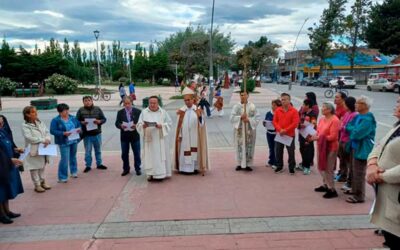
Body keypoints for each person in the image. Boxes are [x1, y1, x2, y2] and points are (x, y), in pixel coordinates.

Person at [367, 99, 400, 248]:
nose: (396, 104)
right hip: (386, 193)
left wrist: (380, 176)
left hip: (394, 191)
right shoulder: (397, 127)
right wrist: (372, 165)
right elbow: (379, 146)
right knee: (390, 235)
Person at [345, 96, 376, 203]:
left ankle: (359, 195)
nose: (355, 105)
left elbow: (357, 135)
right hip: (354, 147)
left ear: (365, 105)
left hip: (362, 148)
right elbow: (348, 126)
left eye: (358, 103)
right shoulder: (358, 116)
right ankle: (354, 190)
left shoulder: (367, 119)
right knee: (353, 171)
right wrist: (353, 130)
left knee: (359, 172)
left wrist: (352, 130)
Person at [174, 87, 209, 174]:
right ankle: (184, 169)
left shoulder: (197, 110)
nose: (187, 102)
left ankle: (195, 168)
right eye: (185, 100)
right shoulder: (182, 111)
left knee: (194, 151)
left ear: (193, 100)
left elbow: (202, 125)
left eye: (189, 100)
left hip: (195, 135)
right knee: (184, 152)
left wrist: (200, 117)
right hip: (184, 136)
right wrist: (179, 135)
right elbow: (178, 126)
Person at [137, 96, 172, 181]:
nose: (152, 105)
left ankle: (161, 174)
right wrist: (143, 126)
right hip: (149, 140)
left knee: (159, 157)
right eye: (151, 103)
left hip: (160, 139)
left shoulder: (163, 112)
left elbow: (169, 123)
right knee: (149, 156)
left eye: (154, 103)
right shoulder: (144, 112)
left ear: (158, 103)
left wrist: (162, 126)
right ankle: (150, 174)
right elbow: (139, 124)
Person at [311, 102, 341, 198]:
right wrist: (315, 136)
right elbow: (319, 132)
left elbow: (333, 136)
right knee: (321, 166)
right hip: (321, 146)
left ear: (329, 110)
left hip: (330, 147)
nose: (322, 109)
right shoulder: (321, 119)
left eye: (324, 108)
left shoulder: (335, 120)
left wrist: (318, 137)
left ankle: (332, 189)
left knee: (328, 169)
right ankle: (326, 184)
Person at [21, 106, 52, 193]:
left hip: (43, 147)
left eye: (35, 111)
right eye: (33, 112)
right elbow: (29, 137)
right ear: (27, 114)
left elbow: (46, 132)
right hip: (33, 149)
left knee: (42, 166)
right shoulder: (25, 125)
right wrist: (43, 140)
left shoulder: (40, 122)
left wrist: (48, 139)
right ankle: (37, 185)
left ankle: (43, 182)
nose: (36, 113)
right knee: (34, 167)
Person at [0, 115, 24, 224]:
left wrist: (16, 149)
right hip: (2, 165)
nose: (1, 125)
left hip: (7, 166)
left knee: (6, 189)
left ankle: (7, 211)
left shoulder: (3, 132)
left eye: (2, 123)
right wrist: (10, 160)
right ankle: (1, 214)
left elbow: (8, 145)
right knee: (1, 191)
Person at [50, 103, 81, 183]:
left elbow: (79, 125)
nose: (67, 112)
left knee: (73, 157)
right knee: (64, 159)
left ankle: (74, 171)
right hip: (63, 142)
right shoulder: (56, 120)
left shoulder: (73, 118)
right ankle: (62, 177)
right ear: (60, 112)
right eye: (64, 111)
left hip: (74, 140)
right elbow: (52, 131)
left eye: (67, 110)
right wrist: (63, 133)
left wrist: (79, 129)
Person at [76, 96, 108, 173]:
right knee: (88, 151)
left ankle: (99, 164)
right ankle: (88, 166)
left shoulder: (97, 109)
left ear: (92, 101)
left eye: (89, 100)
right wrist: (82, 123)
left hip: (97, 133)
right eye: (86, 101)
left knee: (98, 150)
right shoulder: (81, 110)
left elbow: (104, 119)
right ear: (83, 102)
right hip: (87, 134)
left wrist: (99, 121)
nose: (88, 102)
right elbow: (75, 121)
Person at [230, 90, 260, 171]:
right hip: (240, 130)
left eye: (245, 95)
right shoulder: (236, 106)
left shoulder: (252, 106)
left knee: (249, 146)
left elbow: (257, 118)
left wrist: (249, 119)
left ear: (248, 95)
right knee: (239, 147)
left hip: (249, 130)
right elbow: (231, 118)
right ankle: (239, 163)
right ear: (240, 96)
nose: (243, 96)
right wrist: (240, 117)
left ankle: (248, 164)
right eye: (241, 95)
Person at [272, 93, 300, 174]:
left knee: (291, 152)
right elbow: (274, 121)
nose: (282, 101)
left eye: (284, 99)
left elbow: (295, 123)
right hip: (280, 134)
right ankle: (279, 166)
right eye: (282, 99)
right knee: (278, 151)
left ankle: (291, 167)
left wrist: (285, 130)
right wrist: (280, 130)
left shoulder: (294, 111)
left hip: (289, 135)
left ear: (289, 100)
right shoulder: (278, 110)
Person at [115, 96, 142, 176]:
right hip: (124, 136)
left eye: (128, 103)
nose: (127, 105)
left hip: (135, 135)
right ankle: (126, 169)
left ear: (131, 103)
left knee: (137, 153)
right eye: (125, 103)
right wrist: (121, 126)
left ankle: (138, 169)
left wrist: (136, 125)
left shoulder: (138, 111)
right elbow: (117, 123)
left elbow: (142, 122)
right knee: (124, 154)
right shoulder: (120, 112)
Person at [338, 97, 357, 192]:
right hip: (342, 139)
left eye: (345, 104)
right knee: (343, 160)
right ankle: (343, 175)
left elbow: (348, 127)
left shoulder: (354, 115)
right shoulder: (347, 113)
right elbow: (342, 125)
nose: (343, 106)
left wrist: (343, 126)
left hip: (348, 141)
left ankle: (350, 182)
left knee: (350, 163)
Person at [298, 99, 317, 175]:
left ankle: (307, 167)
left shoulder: (313, 114)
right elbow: (300, 122)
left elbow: (313, 125)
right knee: (302, 149)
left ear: (308, 105)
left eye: (303, 104)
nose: (302, 106)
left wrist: (309, 137)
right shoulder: (303, 113)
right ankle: (303, 164)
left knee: (307, 151)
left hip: (308, 136)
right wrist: (300, 125)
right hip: (302, 134)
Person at [263, 99, 281, 169]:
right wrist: (264, 123)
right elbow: (265, 121)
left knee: (276, 148)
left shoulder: (279, 113)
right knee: (271, 147)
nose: (272, 107)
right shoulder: (268, 113)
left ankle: (276, 162)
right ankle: (271, 160)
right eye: (272, 105)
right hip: (269, 133)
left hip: (276, 133)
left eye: (274, 105)